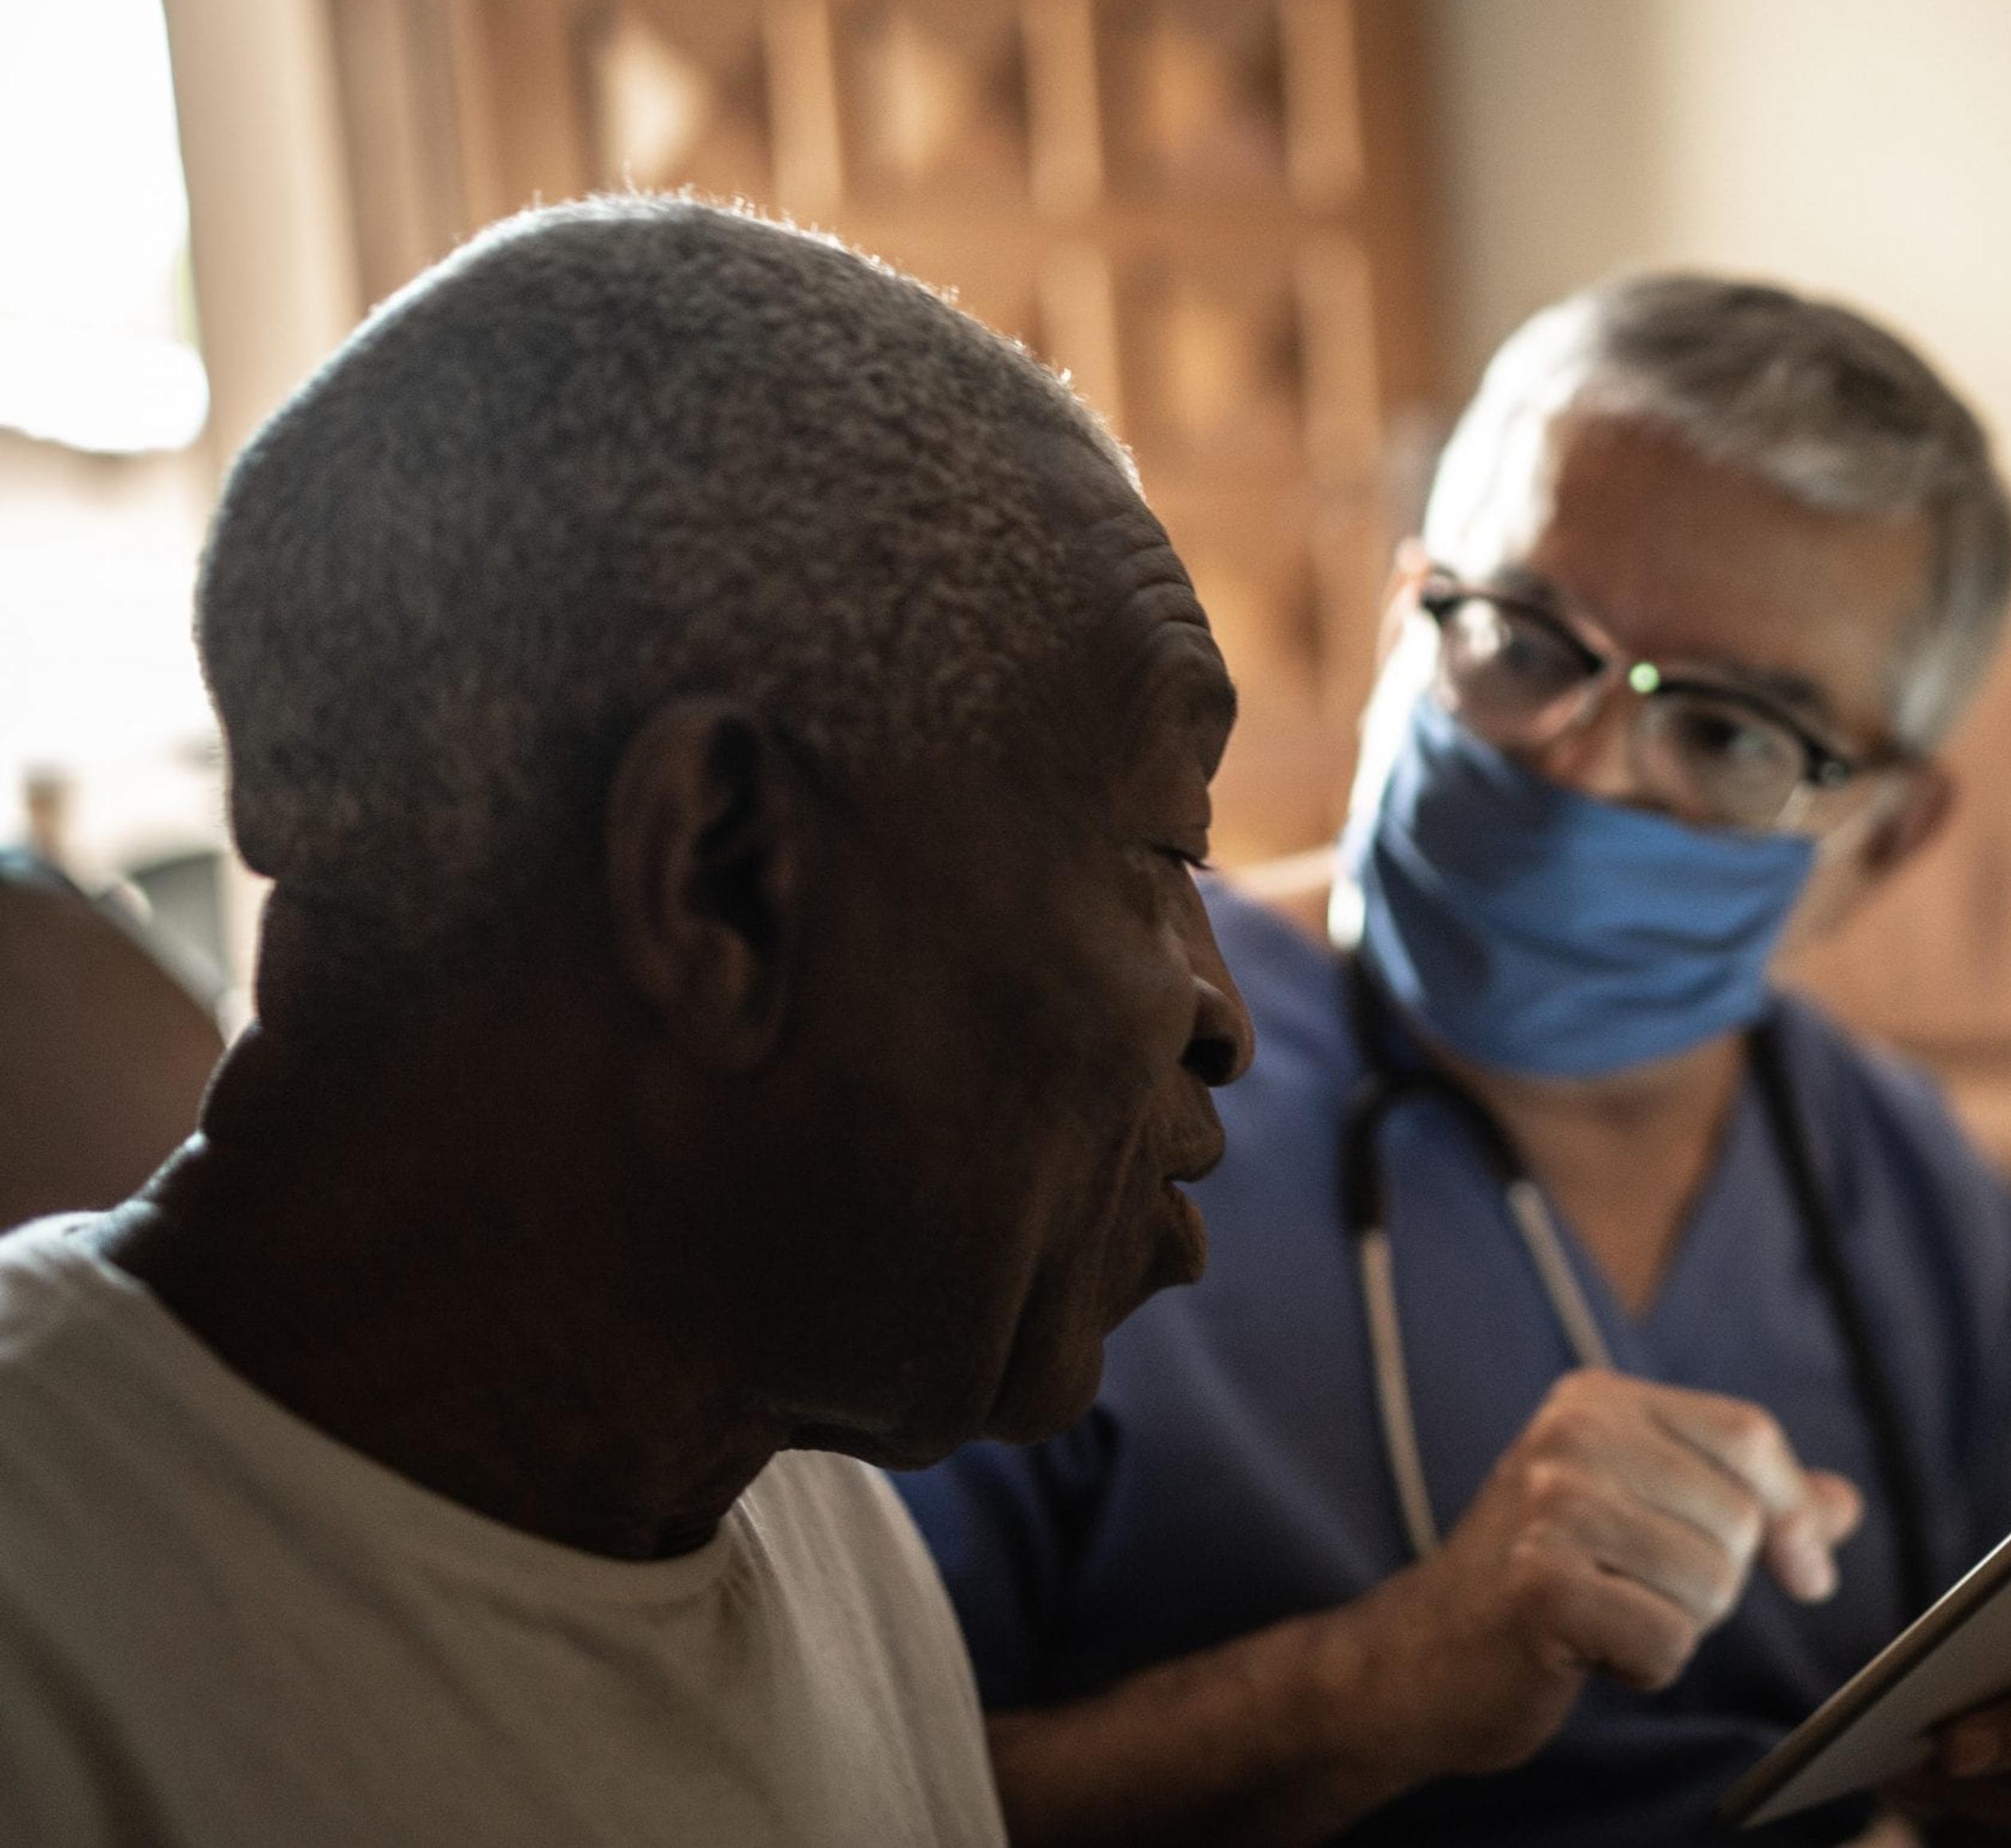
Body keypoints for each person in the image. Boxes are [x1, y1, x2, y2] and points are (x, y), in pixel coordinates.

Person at [895, 276, 2011, 1844]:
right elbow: (851, 1792)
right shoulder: (1062, 1084)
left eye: (1733, 733)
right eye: (1527, 639)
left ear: (1884, 839)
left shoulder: (1902, 1179)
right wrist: (1382, 1683)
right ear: (1407, 611)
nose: (1584, 764)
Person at [0, 198, 1254, 1846]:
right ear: (722, 881)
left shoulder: (809, 1502)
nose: (1223, 1012)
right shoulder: (49, 1657)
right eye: (1161, 853)